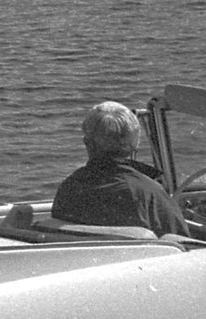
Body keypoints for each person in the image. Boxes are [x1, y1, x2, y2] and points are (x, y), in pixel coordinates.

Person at [52, 101, 187, 235]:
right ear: (135, 144)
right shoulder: (149, 194)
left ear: (87, 143)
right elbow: (182, 242)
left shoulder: (69, 188)